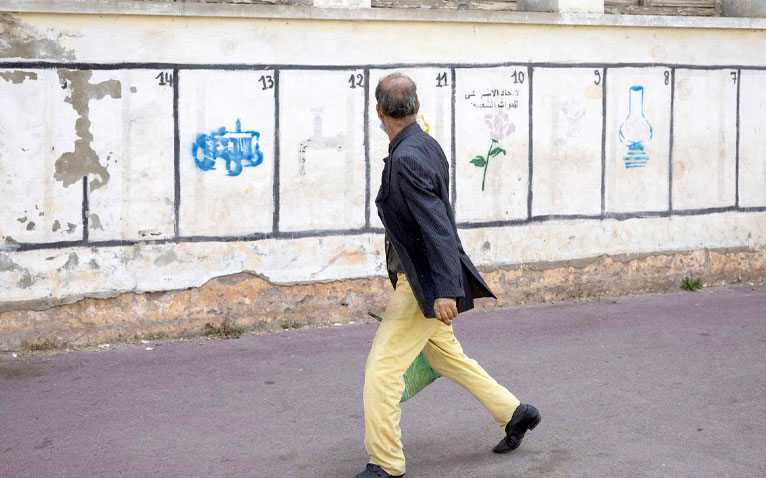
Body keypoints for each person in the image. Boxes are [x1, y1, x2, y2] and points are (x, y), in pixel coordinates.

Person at [355, 73, 541, 478]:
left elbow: (436, 225)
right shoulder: (426, 144)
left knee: (382, 373)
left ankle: (386, 463)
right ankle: (515, 413)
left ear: (378, 111)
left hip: (422, 284)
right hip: (424, 278)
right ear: (417, 107)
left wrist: (443, 291)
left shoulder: (406, 157)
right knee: (446, 356)